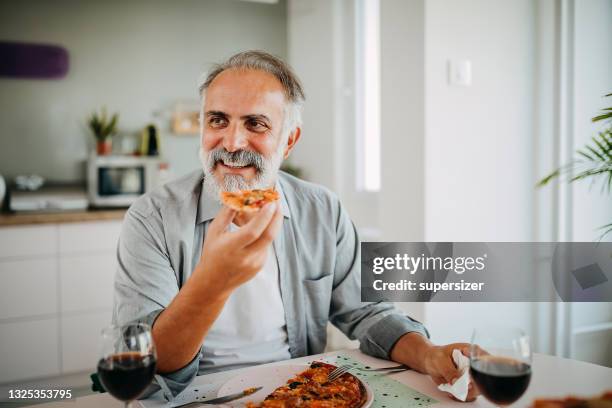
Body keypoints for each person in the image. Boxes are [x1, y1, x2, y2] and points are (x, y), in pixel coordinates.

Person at [113, 50, 478, 401]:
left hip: (299, 394)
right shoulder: (151, 218)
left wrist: (430, 355)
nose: (233, 142)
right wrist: (212, 282)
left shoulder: (323, 209)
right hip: (189, 398)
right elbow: (144, 362)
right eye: (218, 120)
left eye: (255, 123)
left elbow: (368, 312)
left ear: (288, 140)